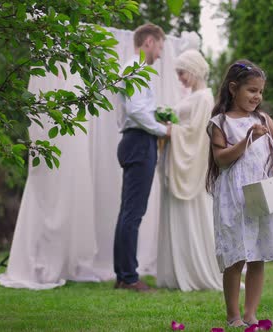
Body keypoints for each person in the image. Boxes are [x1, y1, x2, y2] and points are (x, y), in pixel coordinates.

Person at [206, 60, 273, 327]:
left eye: (260, 92)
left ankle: (251, 313)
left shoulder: (263, 119)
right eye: (251, 90)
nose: (257, 97)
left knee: (258, 254)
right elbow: (221, 160)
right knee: (236, 256)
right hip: (235, 198)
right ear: (233, 88)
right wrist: (247, 140)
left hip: (261, 193)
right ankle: (233, 315)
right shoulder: (220, 122)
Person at [156, 49, 223, 291]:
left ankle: (196, 272)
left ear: (194, 70)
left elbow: (197, 135)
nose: (180, 78)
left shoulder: (204, 98)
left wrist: (172, 129)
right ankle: (177, 271)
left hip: (189, 169)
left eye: (182, 73)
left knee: (192, 216)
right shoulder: (196, 96)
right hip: (177, 163)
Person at [113, 23, 171, 292]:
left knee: (128, 212)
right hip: (138, 142)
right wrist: (163, 130)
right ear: (149, 42)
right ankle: (128, 277)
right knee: (133, 213)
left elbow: (140, 108)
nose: (159, 54)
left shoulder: (134, 69)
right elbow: (136, 110)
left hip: (136, 141)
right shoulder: (135, 69)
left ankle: (124, 275)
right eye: (159, 47)